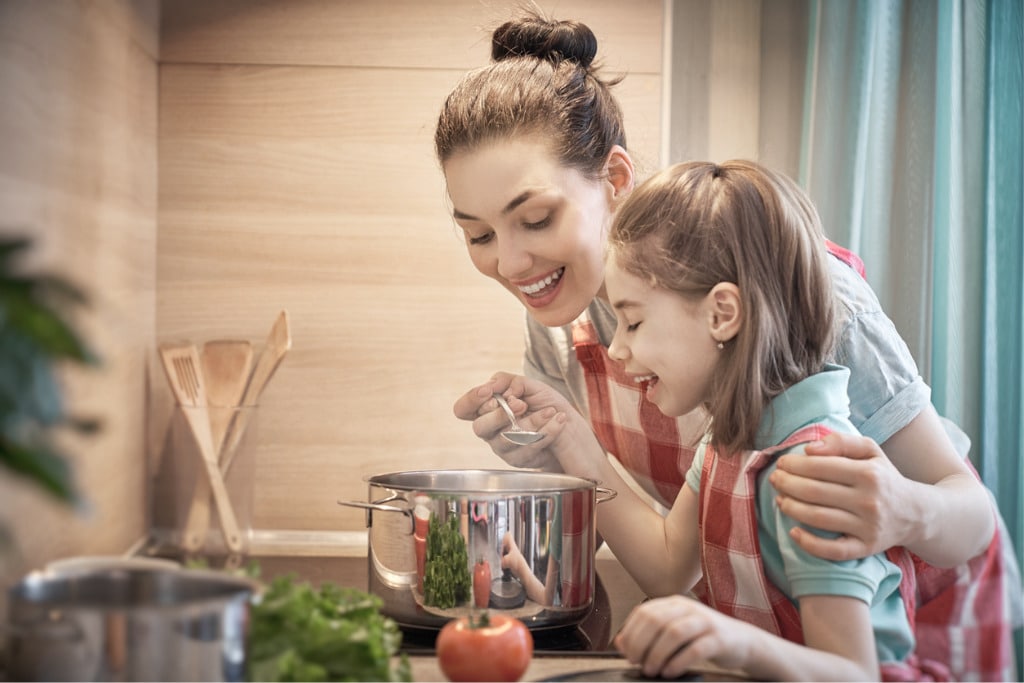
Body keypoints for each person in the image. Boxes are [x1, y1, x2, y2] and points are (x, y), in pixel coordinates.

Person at [434, 10, 1018, 680]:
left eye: (534, 218)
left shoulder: (806, 294)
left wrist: (902, 508)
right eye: (478, 235)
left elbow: (969, 514)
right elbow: (666, 558)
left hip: (924, 603)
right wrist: (560, 439)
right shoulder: (559, 316)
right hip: (774, 625)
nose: (509, 263)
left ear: (615, 181)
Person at [600, 158, 934, 679]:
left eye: (634, 321)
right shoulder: (730, 439)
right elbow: (670, 566)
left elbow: (854, 674)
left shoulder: (810, 471)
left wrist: (733, 642)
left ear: (722, 314)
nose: (616, 349)